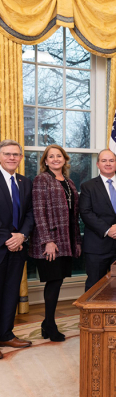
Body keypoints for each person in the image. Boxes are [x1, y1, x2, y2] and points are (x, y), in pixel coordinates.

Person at [29, 145, 81, 342]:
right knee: (53, 281)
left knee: (58, 281)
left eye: (59, 156)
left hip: (66, 239)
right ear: (45, 161)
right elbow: (38, 211)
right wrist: (47, 241)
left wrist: (76, 241)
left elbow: (73, 215)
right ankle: (50, 324)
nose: (55, 159)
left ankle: (46, 323)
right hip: (52, 241)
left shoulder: (70, 182)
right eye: (51, 156)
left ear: (65, 159)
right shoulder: (42, 179)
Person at [79, 150, 116, 291]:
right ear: (98, 164)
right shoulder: (88, 186)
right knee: (95, 287)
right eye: (104, 161)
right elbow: (85, 213)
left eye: (111, 160)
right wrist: (108, 230)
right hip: (97, 246)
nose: (108, 164)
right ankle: (93, 315)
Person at [0, 139, 34, 358]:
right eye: (7, 154)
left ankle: (5, 334)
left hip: (18, 246)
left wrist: (22, 235)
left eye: (16, 154)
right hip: (1, 245)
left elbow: (30, 213)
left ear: (21, 158)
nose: (12, 158)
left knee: (11, 292)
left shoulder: (24, 181)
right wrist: (8, 238)